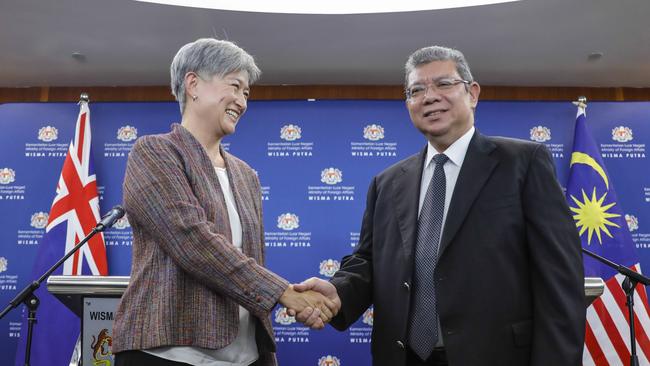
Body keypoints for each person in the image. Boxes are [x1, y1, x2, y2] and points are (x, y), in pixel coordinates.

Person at [293, 46, 585, 366]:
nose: (429, 97)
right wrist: (339, 293)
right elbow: (369, 261)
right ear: (408, 104)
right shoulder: (387, 183)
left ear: (472, 93)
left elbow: (560, 281)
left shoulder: (523, 163)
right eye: (417, 90)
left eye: (443, 84)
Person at [111, 38, 338, 366]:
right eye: (235, 86)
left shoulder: (246, 175)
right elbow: (191, 241)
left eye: (246, 93)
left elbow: (249, 264)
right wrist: (283, 293)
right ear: (193, 85)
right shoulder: (155, 152)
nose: (242, 101)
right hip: (168, 353)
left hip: (246, 357)